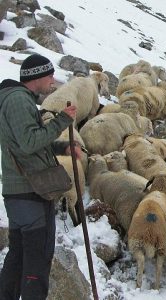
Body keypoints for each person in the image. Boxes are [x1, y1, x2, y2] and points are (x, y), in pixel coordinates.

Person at [0, 54, 77, 300]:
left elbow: (23, 143)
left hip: (19, 192)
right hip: (30, 191)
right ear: (37, 76)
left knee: (19, 255)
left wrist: (61, 147)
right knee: (37, 260)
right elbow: (30, 141)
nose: (53, 81)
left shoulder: (14, 100)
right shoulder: (19, 101)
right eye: (50, 75)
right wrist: (62, 120)